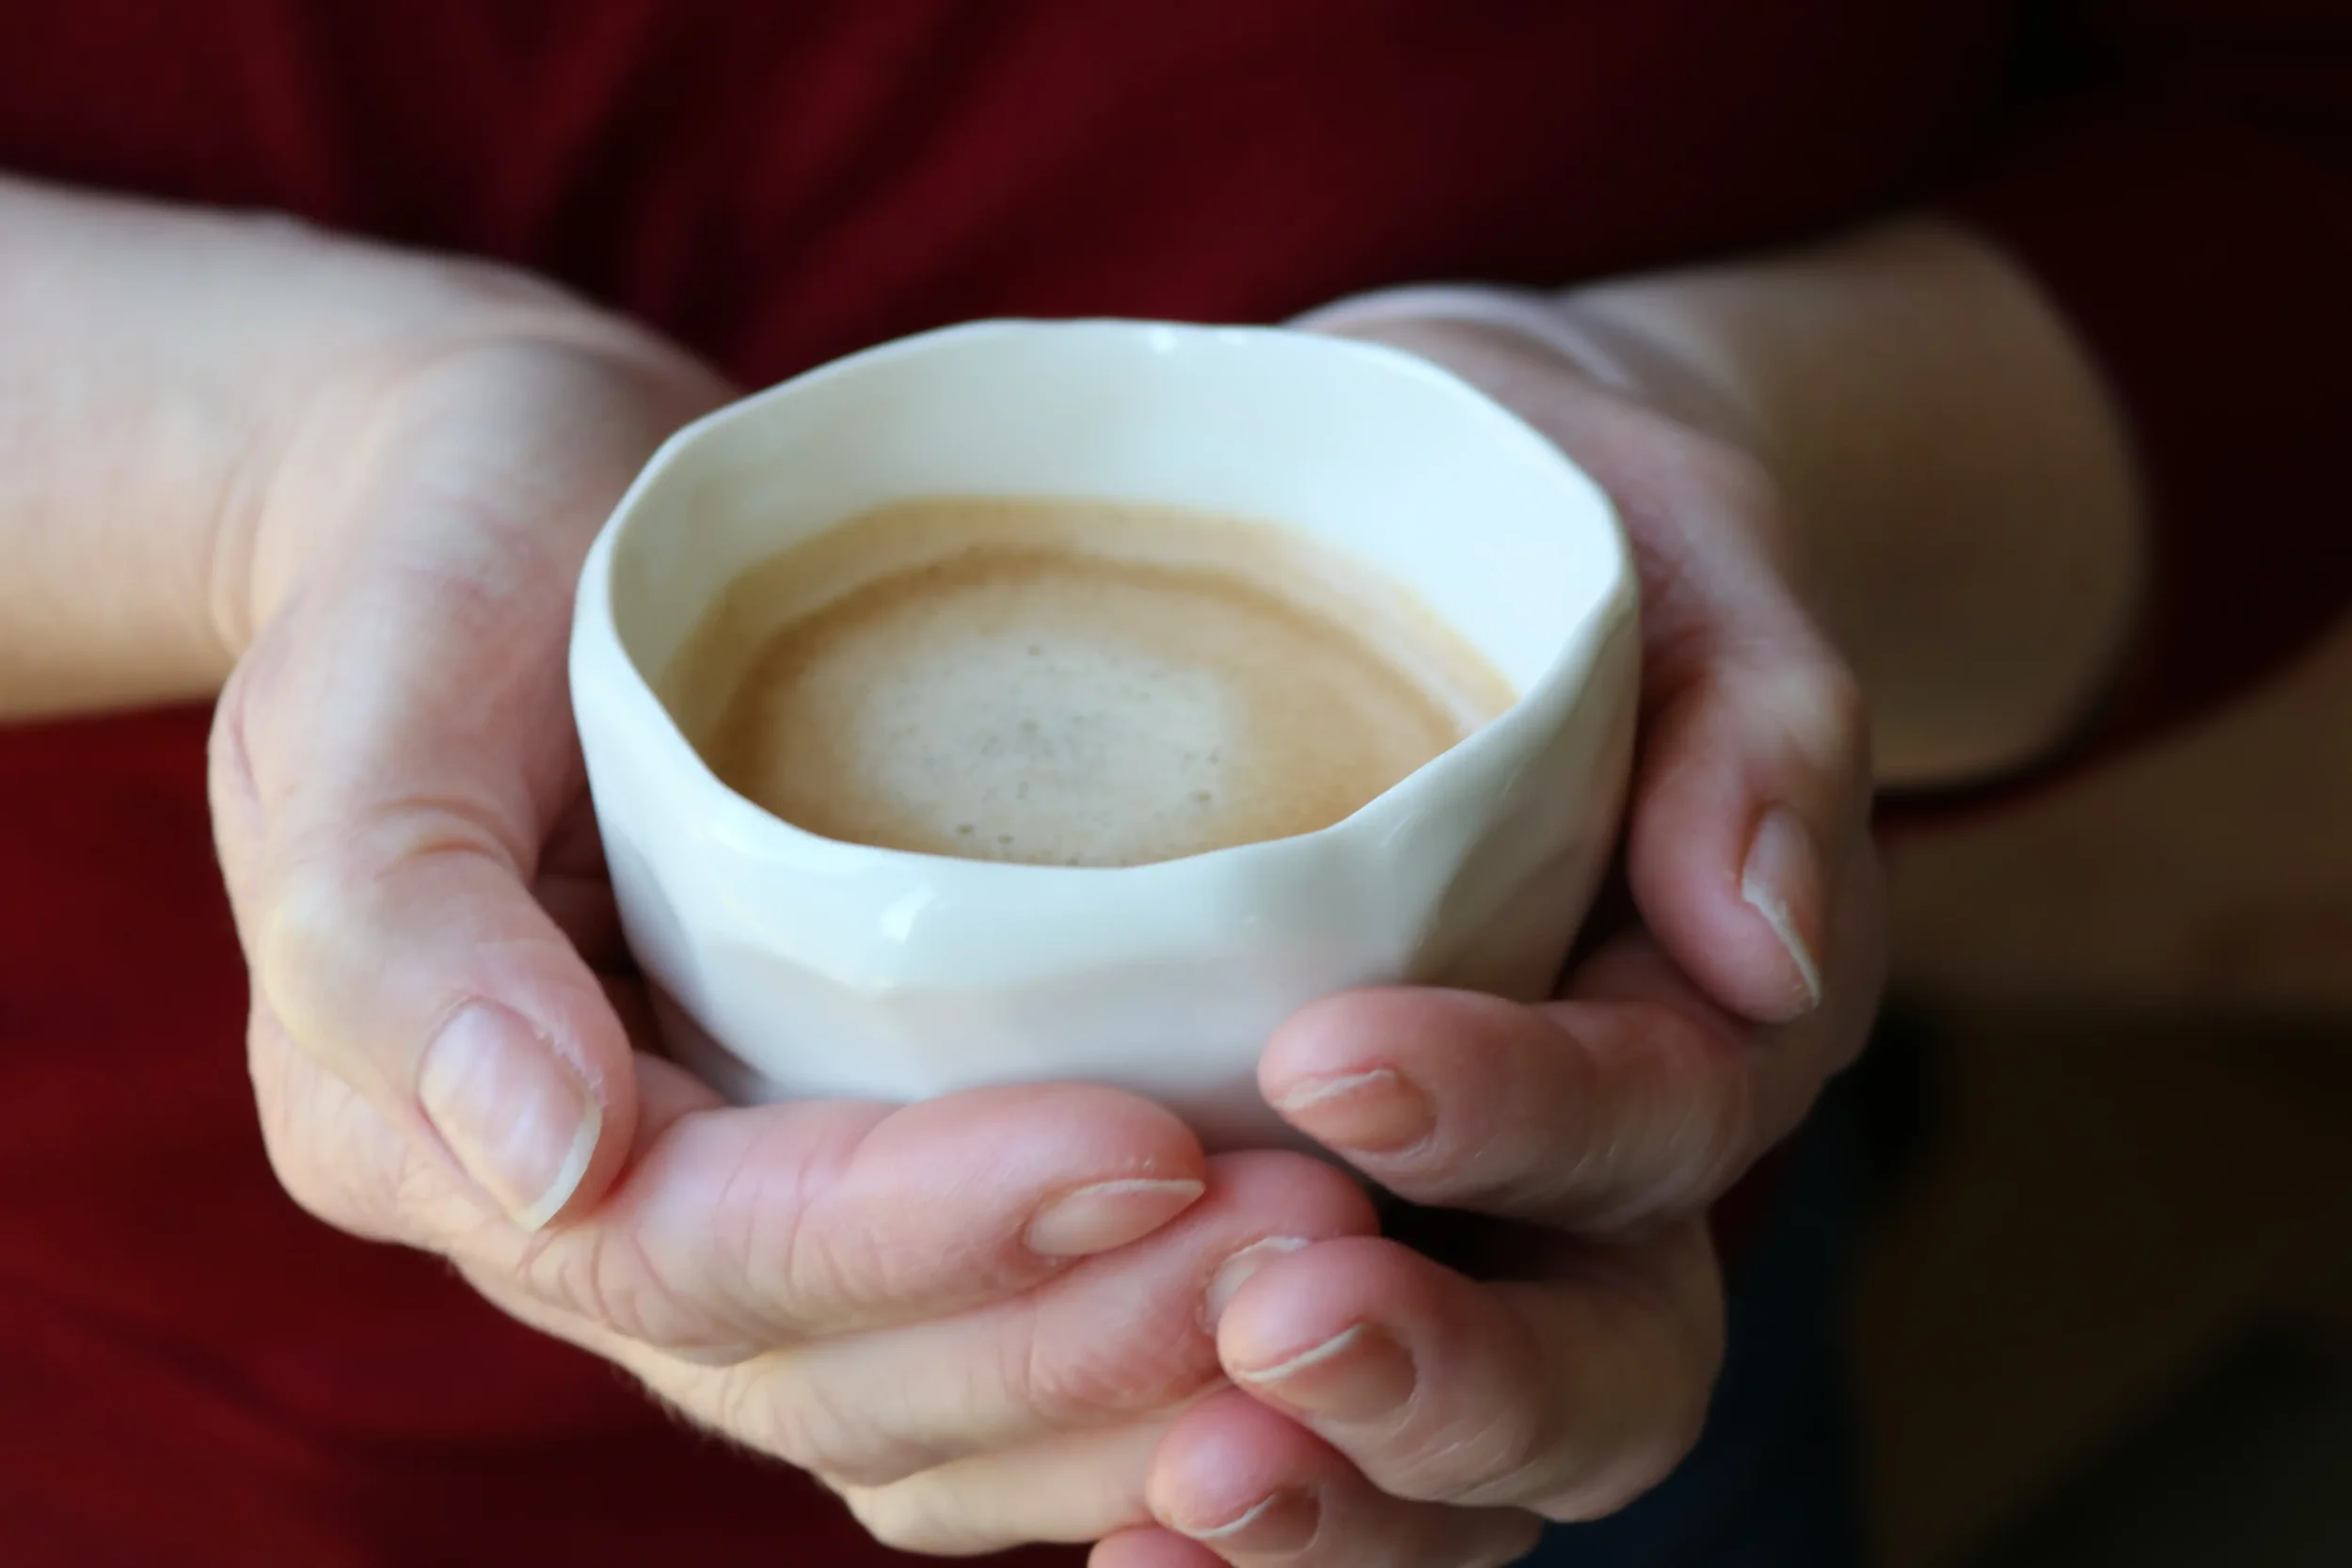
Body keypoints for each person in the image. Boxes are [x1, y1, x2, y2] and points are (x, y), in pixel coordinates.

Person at [0, 5, 2344, 1566]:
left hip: (1513, 1308)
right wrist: (295, 461)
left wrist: (1645, 420)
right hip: (210, 1407)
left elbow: (2269, 168)